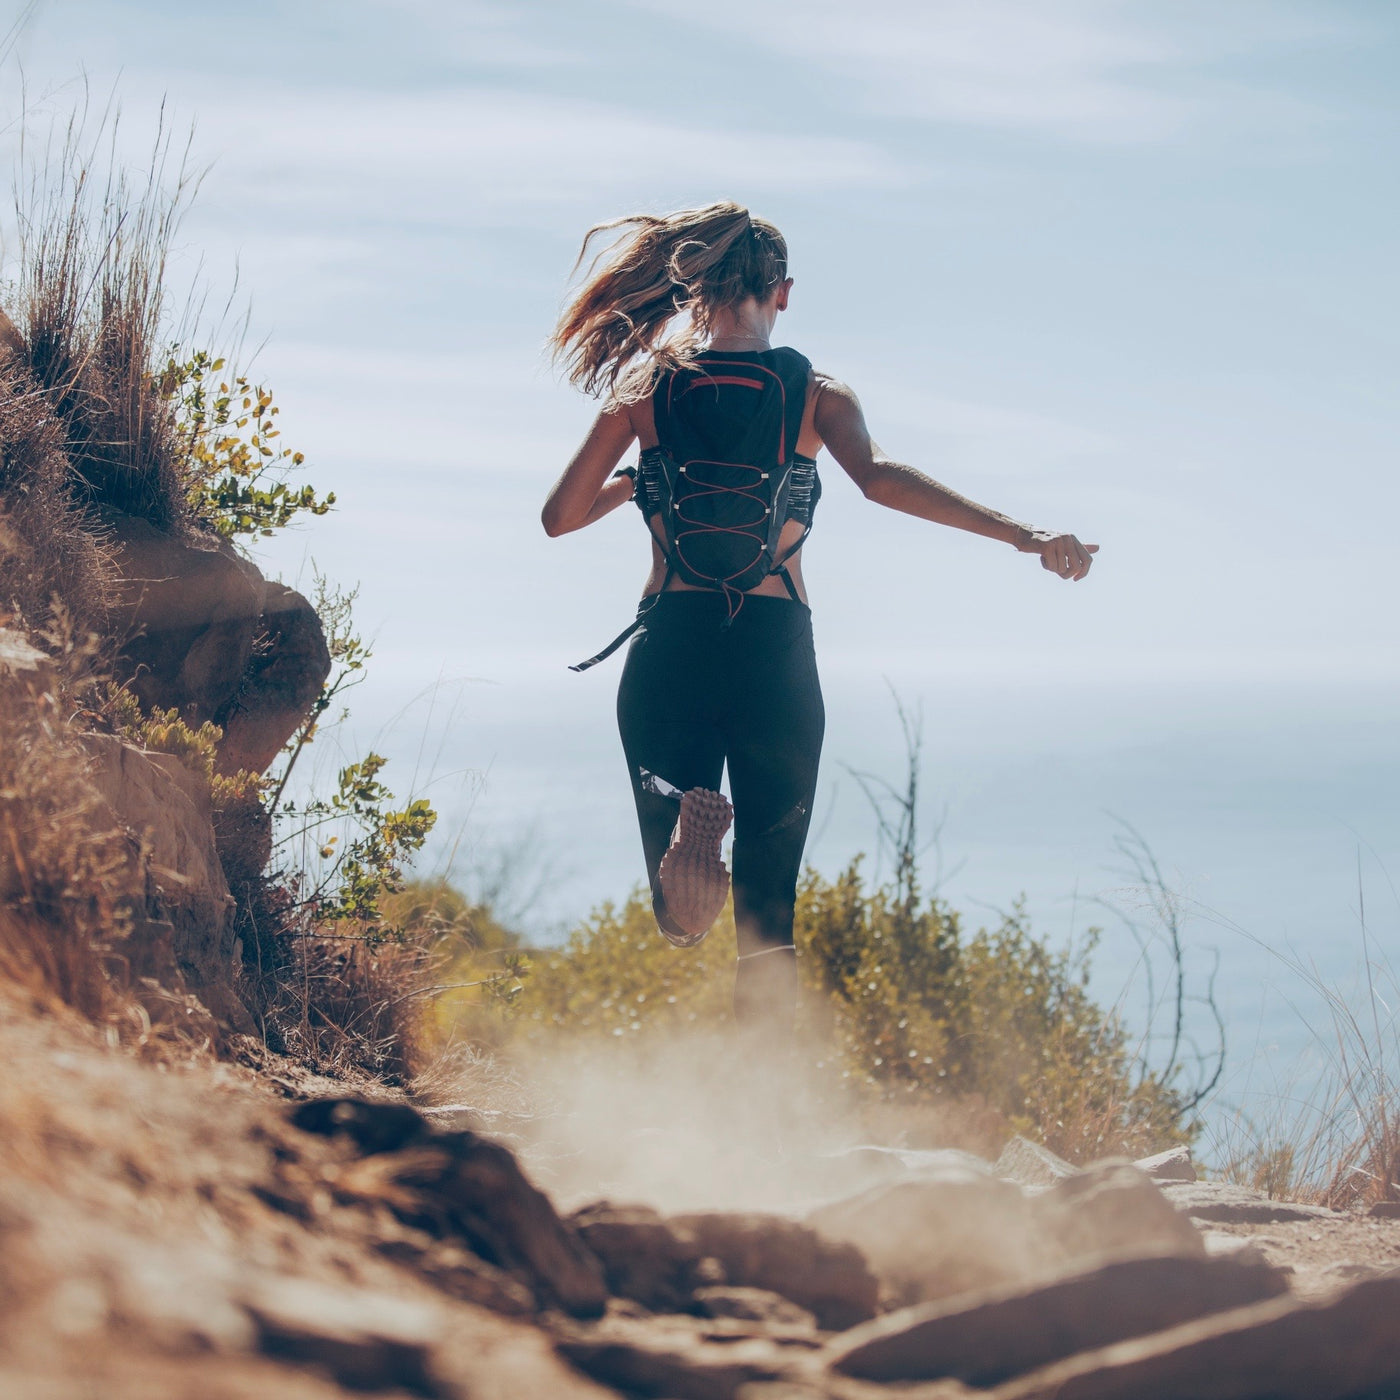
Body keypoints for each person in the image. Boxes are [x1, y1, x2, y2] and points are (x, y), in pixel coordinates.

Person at [542, 201, 1096, 1032]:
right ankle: (767, 1118)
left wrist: (651, 478)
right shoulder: (815, 392)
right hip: (773, 655)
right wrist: (1024, 534)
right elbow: (882, 479)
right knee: (770, 914)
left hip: (671, 648)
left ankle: (687, 885)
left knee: (679, 915)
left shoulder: (645, 389)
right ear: (783, 293)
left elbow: (560, 516)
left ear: (693, 286)